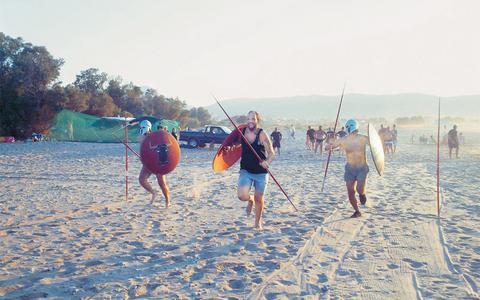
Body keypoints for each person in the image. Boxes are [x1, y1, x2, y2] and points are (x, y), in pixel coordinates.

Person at [237, 111, 275, 229]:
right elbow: (232, 146)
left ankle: (257, 222)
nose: (250, 121)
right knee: (242, 196)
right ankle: (250, 200)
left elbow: (271, 153)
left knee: (259, 198)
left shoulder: (262, 134)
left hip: (260, 172)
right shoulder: (242, 132)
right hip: (246, 170)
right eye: (248, 119)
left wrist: (267, 162)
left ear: (257, 120)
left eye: (253, 118)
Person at [331, 119, 369, 218]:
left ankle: (362, 194)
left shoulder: (363, 138)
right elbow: (330, 146)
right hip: (350, 168)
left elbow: (375, 144)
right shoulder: (344, 139)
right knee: (351, 192)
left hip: (361, 167)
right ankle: (357, 211)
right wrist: (331, 144)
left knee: (359, 189)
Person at [138, 120, 170, 207]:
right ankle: (154, 193)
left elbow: (163, 147)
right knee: (142, 180)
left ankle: (167, 202)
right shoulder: (141, 137)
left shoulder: (155, 136)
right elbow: (143, 149)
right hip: (148, 162)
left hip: (158, 162)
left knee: (162, 183)